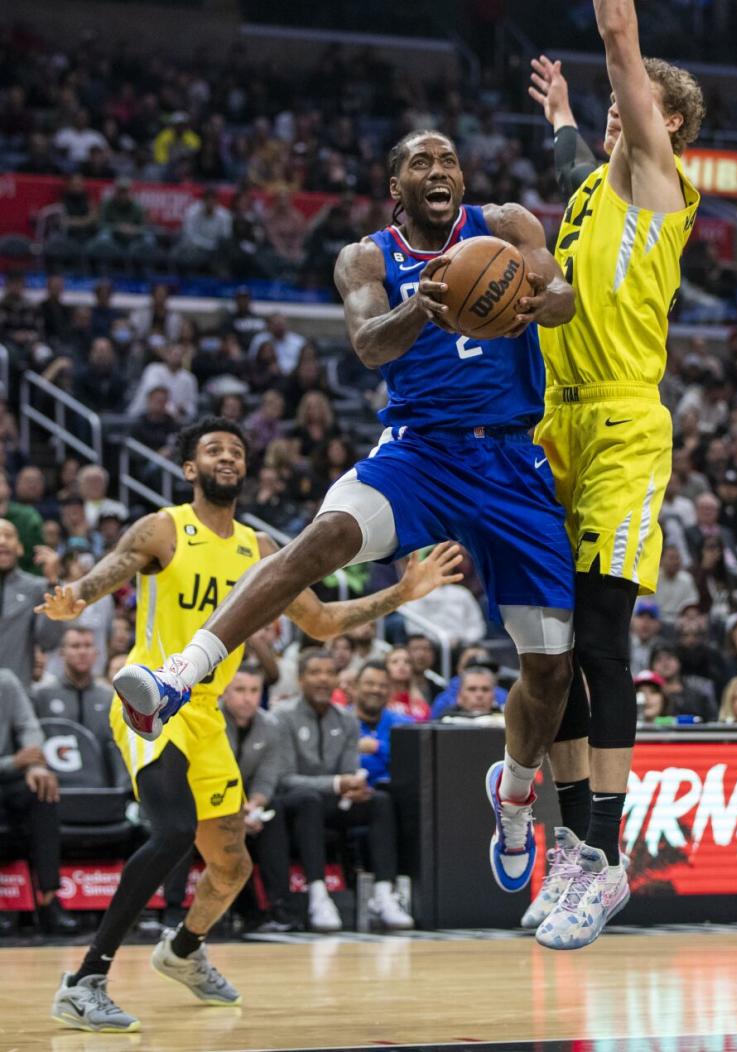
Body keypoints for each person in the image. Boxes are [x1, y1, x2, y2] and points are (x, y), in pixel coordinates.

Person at [111, 131, 580, 921]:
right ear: (394, 185)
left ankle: (515, 792)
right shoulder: (366, 258)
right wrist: (420, 308)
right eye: (421, 164)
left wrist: (536, 298)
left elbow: (564, 298)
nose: (440, 172)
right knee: (317, 540)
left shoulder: (506, 224)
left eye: (449, 161)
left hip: (511, 458)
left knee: (552, 673)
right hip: (419, 453)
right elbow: (367, 344)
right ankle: (175, 677)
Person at [45, 418, 461, 1033]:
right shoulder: (164, 527)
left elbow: (319, 623)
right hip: (150, 701)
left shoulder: (262, 552)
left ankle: (183, 951)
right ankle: (85, 982)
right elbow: (113, 567)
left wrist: (398, 596)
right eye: (213, 450)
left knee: (233, 866)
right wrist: (77, 592)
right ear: (190, 469)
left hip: (207, 716)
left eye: (236, 451)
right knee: (173, 832)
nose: (227, 458)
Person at [525, 0, 705, 951]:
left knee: (599, 632)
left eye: (629, 106)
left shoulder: (656, 181)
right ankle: (569, 847)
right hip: (556, 424)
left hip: (625, 423)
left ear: (665, 125)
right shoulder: (594, 190)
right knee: (546, 647)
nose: (612, 112)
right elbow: (571, 169)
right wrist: (558, 114)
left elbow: (627, 61)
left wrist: (615, 35)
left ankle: (607, 854)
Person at [273, 650, 413, 931]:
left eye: (329, 673)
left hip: (334, 802)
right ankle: (318, 896)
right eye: (315, 673)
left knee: (380, 802)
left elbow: (350, 771)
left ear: (338, 679)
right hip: (293, 804)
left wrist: (355, 788)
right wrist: (337, 784)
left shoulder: (346, 720)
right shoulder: (283, 717)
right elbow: (285, 778)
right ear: (301, 679)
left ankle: (383, 894)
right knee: (309, 800)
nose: (323, 679)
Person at [217, 664, 297, 932]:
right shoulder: (211, 721)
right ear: (225, 691)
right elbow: (210, 774)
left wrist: (253, 807)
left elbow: (267, 776)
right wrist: (236, 811)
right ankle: (243, 910)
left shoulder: (271, 725)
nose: (247, 697)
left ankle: (279, 908)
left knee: (273, 813)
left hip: (246, 802)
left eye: (254, 690)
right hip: (211, 801)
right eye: (240, 690)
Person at [0, 669, 78, 937]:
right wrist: (14, 762)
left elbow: (28, 727)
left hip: (7, 777)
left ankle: (49, 898)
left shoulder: (6, 681)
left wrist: (35, 765)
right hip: (7, 766)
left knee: (42, 791)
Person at [0, 518, 66, 685]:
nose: (2, 541)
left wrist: (53, 583)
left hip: (18, 693)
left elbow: (49, 641)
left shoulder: (37, 587)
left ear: (20, 548)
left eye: (8, 536)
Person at [32, 626, 114, 744]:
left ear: (96, 652)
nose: (82, 652)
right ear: (62, 652)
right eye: (75, 646)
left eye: (88, 646)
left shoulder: (108, 697)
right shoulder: (42, 696)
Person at [354, 660, 411, 787]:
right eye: (369, 684)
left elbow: (410, 761)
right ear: (356, 686)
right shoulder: (340, 722)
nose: (376, 690)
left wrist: (377, 747)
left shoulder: (404, 724)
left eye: (383, 685)